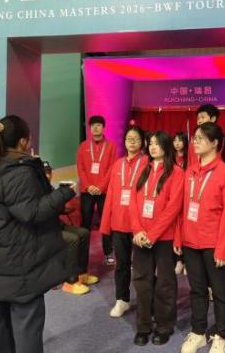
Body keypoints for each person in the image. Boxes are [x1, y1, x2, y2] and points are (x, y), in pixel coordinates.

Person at [0, 115, 76, 353]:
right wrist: (64, 193)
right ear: (23, 141)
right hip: (19, 262)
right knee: (27, 322)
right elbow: (32, 212)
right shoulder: (20, 171)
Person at [178, 122, 225, 353]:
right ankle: (198, 332)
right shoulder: (190, 171)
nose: (195, 142)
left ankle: (222, 335)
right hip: (190, 242)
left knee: (220, 291)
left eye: (201, 138)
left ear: (215, 143)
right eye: (195, 138)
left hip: (214, 244)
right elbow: (184, 208)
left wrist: (223, 249)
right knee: (197, 290)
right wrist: (179, 239)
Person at [129, 131, 184, 347]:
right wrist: (137, 231)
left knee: (164, 284)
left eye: (157, 144)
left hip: (163, 238)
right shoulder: (143, 169)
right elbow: (133, 202)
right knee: (142, 282)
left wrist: (152, 235)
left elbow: (173, 208)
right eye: (150, 143)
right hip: (141, 237)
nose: (152, 147)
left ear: (166, 146)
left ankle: (164, 326)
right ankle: (143, 326)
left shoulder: (176, 173)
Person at [100, 125, 148, 317]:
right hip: (119, 223)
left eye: (136, 138)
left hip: (140, 225)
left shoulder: (147, 163)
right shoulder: (118, 164)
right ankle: (122, 300)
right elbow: (111, 195)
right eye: (129, 138)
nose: (132, 141)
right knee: (121, 265)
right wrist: (106, 223)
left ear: (142, 142)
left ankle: (146, 302)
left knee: (143, 267)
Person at [42, 161, 98, 295]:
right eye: (44, 173)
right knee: (72, 239)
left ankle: (82, 274)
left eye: (49, 172)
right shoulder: (36, 190)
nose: (48, 175)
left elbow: (58, 207)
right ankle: (70, 282)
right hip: (45, 229)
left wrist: (66, 199)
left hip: (57, 224)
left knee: (84, 233)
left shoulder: (51, 187)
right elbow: (41, 212)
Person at [76, 115, 117, 265]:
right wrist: (88, 186)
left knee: (106, 222)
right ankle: (82, 253)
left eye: (98, 125)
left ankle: (108, 252)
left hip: (104, 191)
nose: (95, 128)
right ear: (90, 128)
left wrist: (100, 187)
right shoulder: (83, 146)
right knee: (85, 222)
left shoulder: (111, 146)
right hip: (87, 190)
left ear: (103, 128)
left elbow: (112, 168)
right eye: (93, 125)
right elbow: (80, 168)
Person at [172, 131, 189, 275]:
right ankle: (178, 260)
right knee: (174, 229)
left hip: (187, 196)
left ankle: (186, 261)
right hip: (174, 196)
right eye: (175, 141)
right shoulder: (170, 158)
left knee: (185, 230)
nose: (177, 143)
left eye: (180, 140)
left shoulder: (190, 158)